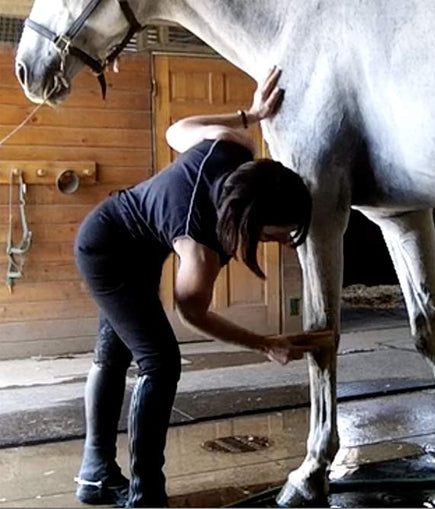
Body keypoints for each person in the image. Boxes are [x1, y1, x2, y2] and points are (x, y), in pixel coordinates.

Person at [72, 67, 329, 507]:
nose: (281, 242)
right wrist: (266, 343)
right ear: (248, 224)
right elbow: (192, 312)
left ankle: (95, 475)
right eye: (275, 234)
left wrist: (250, 113)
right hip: (106, 250)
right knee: (161, 362)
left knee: (114, 353)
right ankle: (145, 492)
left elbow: (176, 130)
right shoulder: (200, 247)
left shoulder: (233, 146)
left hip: (133, 238)